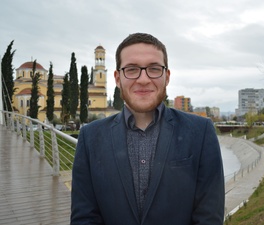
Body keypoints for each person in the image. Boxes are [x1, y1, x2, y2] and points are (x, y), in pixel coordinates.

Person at [71, 33, 225, 225]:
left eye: (154, 69)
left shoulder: (200, 132)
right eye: (132, 69)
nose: (143, 79)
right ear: (118, 78)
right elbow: (84, 218)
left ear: (166, 77)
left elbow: (209, 218)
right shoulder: (90, 137)